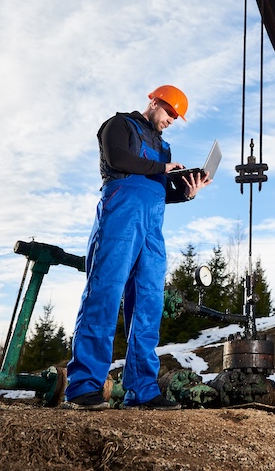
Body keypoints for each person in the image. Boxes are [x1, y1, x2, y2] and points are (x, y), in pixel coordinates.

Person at [63, 84, 211, 410]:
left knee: (148, 306)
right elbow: (119, 159)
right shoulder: (119, 125)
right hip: (120, 217)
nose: (173, 119)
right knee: (103, 295)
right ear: (155, 101)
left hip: (152, 228)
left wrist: (185, 192)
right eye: (170, 111)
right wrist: (163, 168)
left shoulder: (163, 147)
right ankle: (84, 386)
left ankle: (142, 389)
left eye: (177, 116)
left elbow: (157, 190)